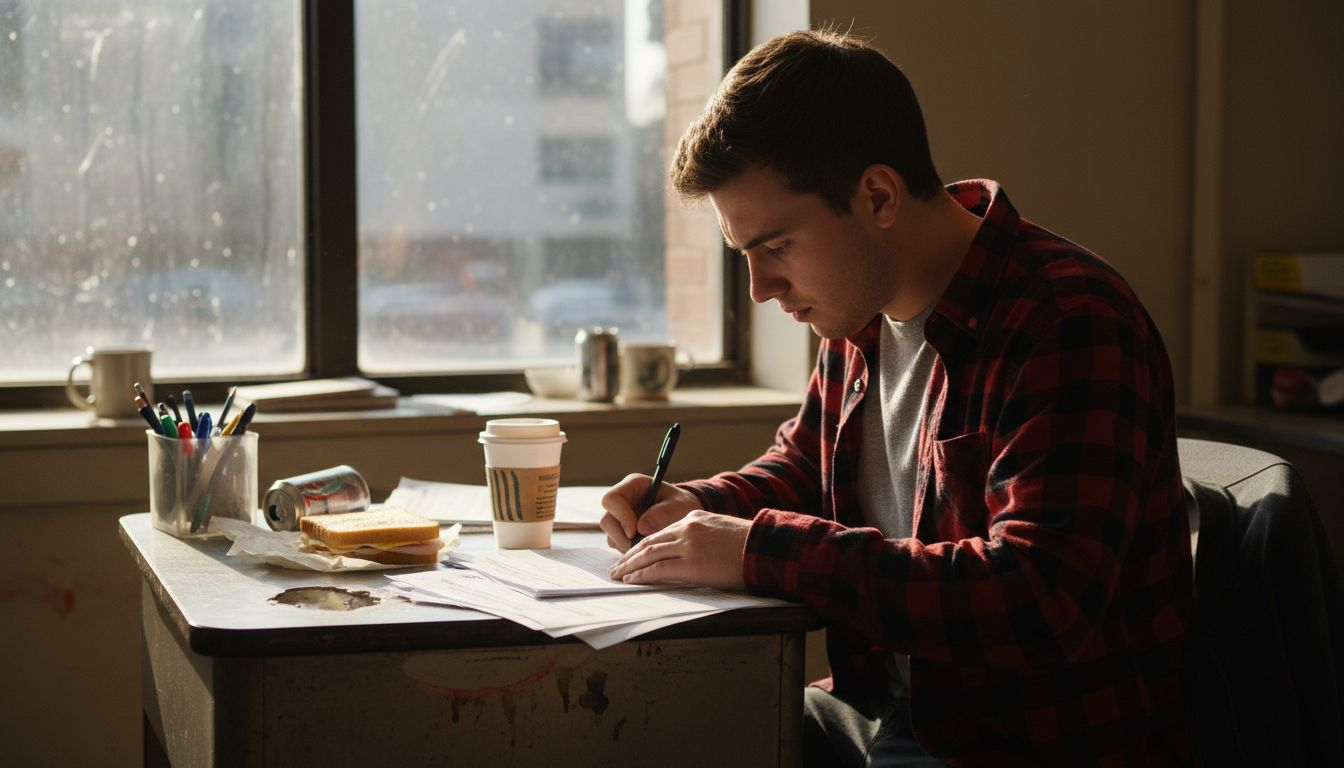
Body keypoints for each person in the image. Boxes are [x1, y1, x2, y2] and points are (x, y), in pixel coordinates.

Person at [600, 29, 1194, 767]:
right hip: (875, 712)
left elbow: (1037, 603)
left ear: (877, 196)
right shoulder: (857, 314)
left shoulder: (1067, 321)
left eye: (777, 247)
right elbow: (807, 474)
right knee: (654, 729)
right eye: (744, 255)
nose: (760, 289)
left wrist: (760, 549)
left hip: (1008, 745)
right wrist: (696, 505)